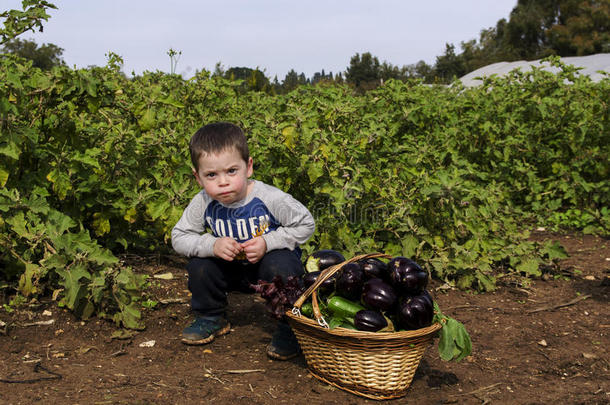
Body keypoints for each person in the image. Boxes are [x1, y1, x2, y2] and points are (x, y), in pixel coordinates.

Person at [171, 122, 315, 360]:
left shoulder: (270, 197)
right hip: (229, 269)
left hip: (266, 266)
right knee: (199, 265)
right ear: (198, 178)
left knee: (283, 265)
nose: (223, 182)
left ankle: (289, 325)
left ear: (248, 168)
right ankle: (211, 316)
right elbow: (180, 236)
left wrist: (268, 242)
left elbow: (306, 223)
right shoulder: (203, 201)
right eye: (211, 175)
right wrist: (211, 245)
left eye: (231, 171)